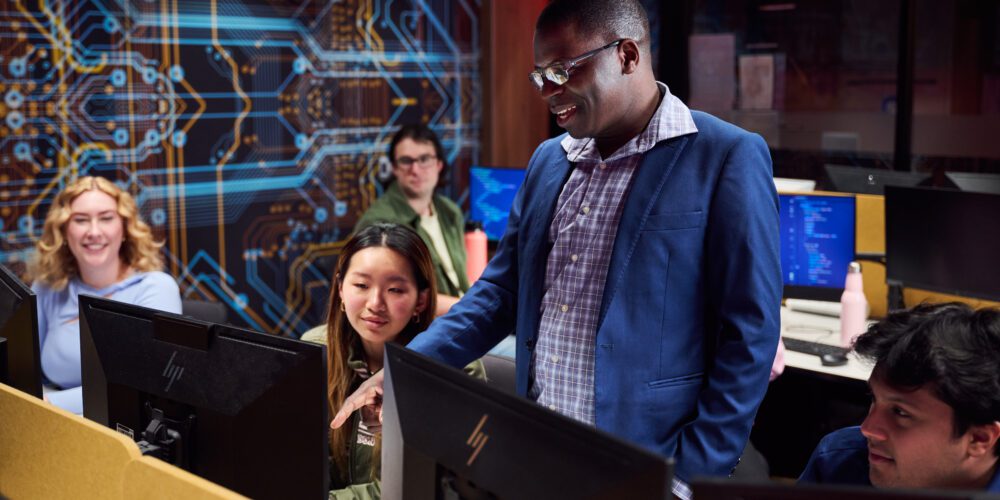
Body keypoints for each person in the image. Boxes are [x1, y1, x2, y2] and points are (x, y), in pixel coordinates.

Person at [334, 1, 781, 496]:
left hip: (646, 464)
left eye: (562, 71)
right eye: (539, 76)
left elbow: (751, 334)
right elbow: (499, 294)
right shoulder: (550, 160)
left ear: (627, 55)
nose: (547, 91)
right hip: (539, 451)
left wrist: (690, 476)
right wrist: (402, 372)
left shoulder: (725, 155)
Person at [322, 223, 484, 499]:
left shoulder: (457, 370)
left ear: (421, 301)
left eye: (395, 290)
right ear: (340, 289)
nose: (375, 303)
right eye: (361, 285)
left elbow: (413, 487)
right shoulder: (318, 349)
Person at [799, 302, 1000, 492]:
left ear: (978, 439)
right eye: (873, 398)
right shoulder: (838, 461)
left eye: (900, 412)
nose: (867, 429)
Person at [28, 176, 181, 414]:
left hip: (122, 425)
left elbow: (144, 382)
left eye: (106, 218)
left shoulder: (156, 288)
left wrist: (49, 405)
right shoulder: (48, 288)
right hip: (50, 422)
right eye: (80, 220)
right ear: (64, 231)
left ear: (125, 229)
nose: (94, 232)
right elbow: (24, 369)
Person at [355, 124, 468, 316]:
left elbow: (461, 278)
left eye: (424, 159)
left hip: (460, 315)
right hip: (424, 325)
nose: (415, 169)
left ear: (439, 164)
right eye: (406, 161)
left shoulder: (450, 212)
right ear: (394, 168)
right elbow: (398, 297)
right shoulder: (381, 223)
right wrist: (471, 308)